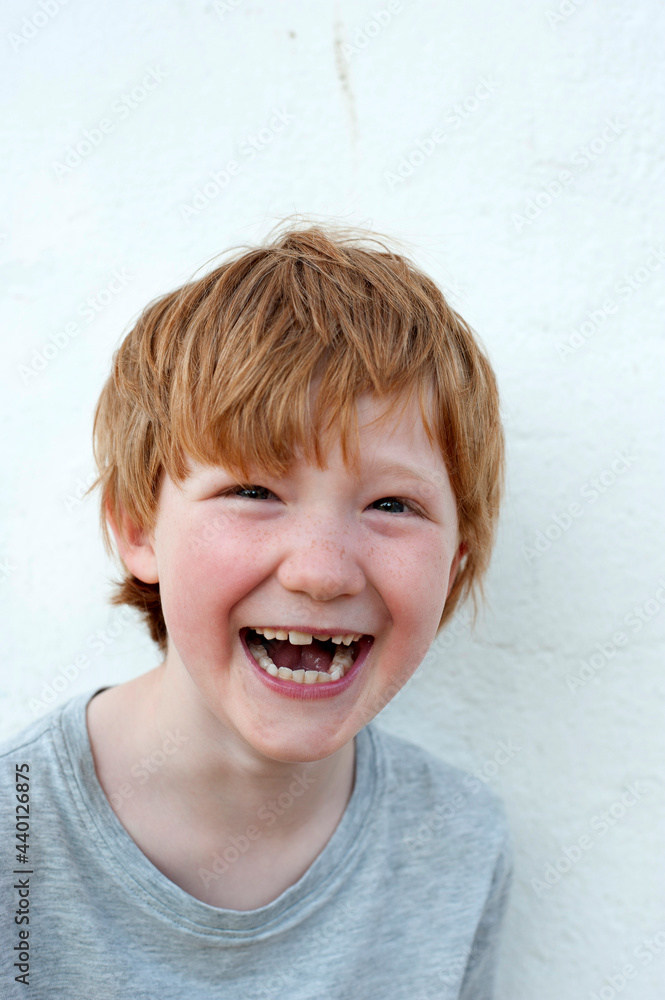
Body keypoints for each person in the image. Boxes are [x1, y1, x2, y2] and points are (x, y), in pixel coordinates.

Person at [0, 222, 512, 999]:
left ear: (454, 564)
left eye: (391, 504)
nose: (320, 572)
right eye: (253, 492)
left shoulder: (458, 843)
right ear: (138, 529)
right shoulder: (17, 835)